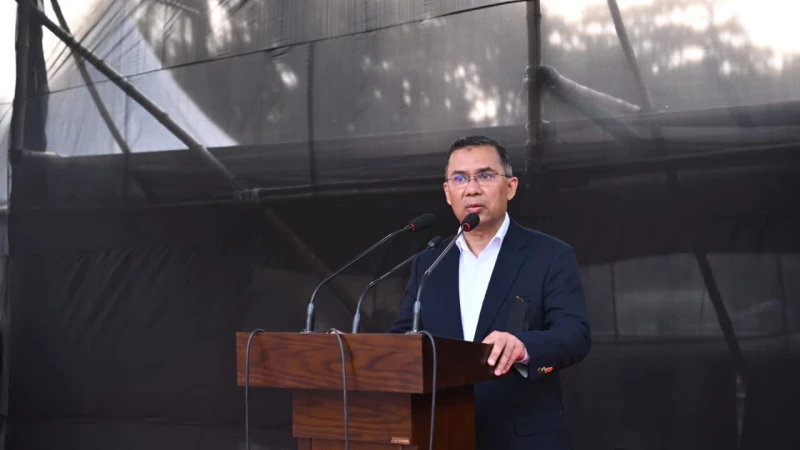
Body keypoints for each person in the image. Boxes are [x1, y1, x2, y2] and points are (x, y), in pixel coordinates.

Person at [389, 135, 591, 450]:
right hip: (443, 434)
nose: (471, 189)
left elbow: (575, 334)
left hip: (523, 438)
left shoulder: (549, 254)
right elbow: (403, 337)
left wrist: (524, 346)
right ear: (448, 193)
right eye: (459, 179)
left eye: (484, 175)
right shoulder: (429, 263)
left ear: (510, 186)